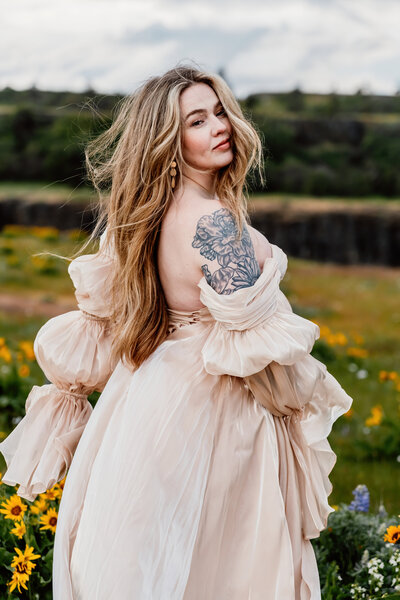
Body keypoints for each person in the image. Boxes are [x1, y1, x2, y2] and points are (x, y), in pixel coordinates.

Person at [0, 65, 353, 599]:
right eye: (197, 120)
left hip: (150, 393)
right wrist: (296, 406)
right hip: (219, 407)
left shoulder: (150, 217)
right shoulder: (214, 223)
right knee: (224, 562)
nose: (220, 126)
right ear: (169, 140)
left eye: (219, 111)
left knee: (160, 552)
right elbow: (260, 350)